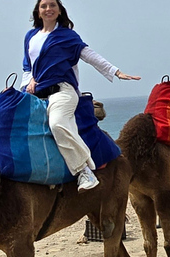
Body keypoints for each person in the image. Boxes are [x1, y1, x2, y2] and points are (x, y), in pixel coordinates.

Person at [20, 0, 140, 192]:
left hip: (63, 91)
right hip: (36, 93)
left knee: (57, 123)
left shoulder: (67, 36)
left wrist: (116, 72)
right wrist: (28, 83)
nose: (48, 9)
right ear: (38, 11)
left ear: (59, 11)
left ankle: (83, 170)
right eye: (44, 6)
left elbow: (89, 55)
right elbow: (28, 67)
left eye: (52, 5)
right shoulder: (30, 36)